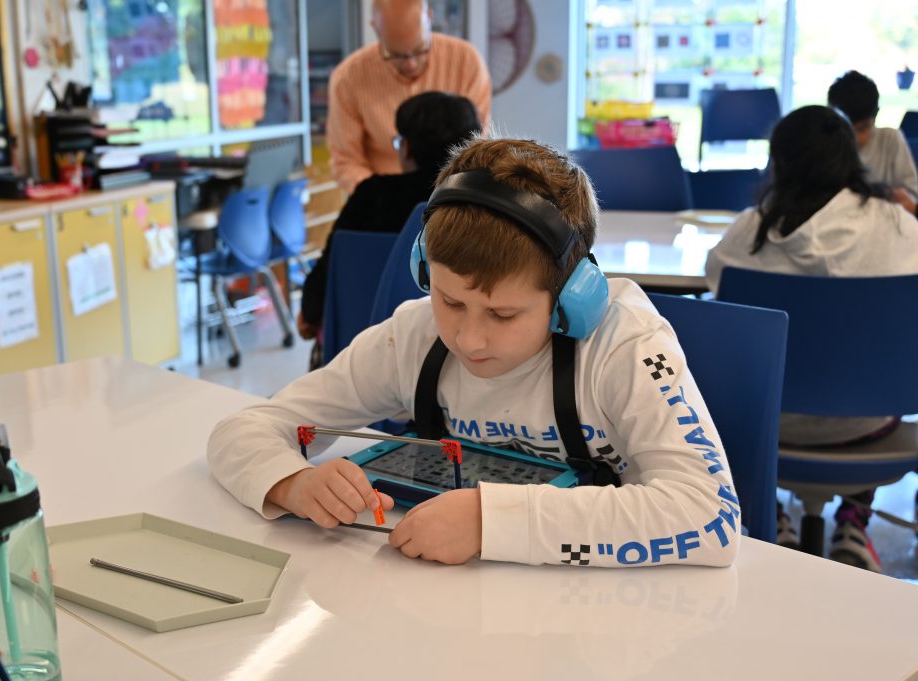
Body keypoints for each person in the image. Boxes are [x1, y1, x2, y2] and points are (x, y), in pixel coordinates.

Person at [208, 136, 740, 569]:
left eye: (504, 315)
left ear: (573, 297)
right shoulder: (412, 338)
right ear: (423, 269)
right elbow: (246, 428)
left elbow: (710, 516)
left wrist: (492, 522)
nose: (468, 340)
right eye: (449, 301)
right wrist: (292, 482)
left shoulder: (621, 347)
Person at [705, 105, 918, 572]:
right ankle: (854, 523)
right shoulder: (901, 226)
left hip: (761, 432)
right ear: (851, 159)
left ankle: (772, 518)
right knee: (868, 368)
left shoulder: (749, 231)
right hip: (869, 427)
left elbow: (718, 294)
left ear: (777, 162)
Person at [297, 91, 481, 349]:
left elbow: (330, 265)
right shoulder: (481, 202)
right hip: (452, 344)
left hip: (361, 342)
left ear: (407, 147)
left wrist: (309, 310)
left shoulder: (372, 195)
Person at [326, 0, 491, 194]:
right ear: (375, 28)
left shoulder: (466, 62)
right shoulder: (348, 78)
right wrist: (380, 200)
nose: (411, 64)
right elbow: (346, 161)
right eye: (396, 54)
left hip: (453, 197)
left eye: (420, 49)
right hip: (383, 201)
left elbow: (475, 145)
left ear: (429, 17)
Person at [827, 70, 918, 211]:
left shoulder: (889, 139)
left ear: (875, 117)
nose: (854, 138)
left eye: (862, 129)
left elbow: (911, 193)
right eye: (847, 130)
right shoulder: (824, 145)